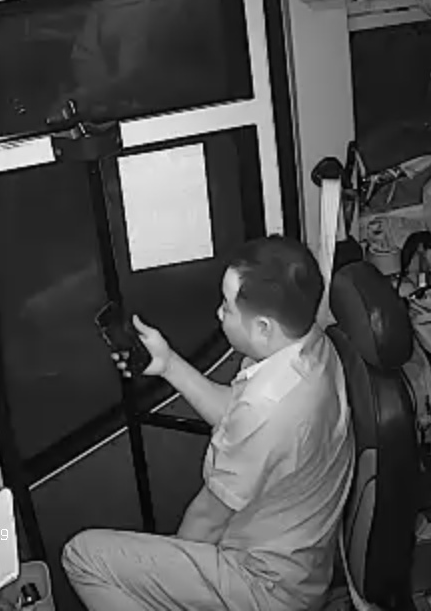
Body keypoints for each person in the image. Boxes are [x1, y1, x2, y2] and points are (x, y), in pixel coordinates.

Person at [61, 235, 354, 610]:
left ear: (263, 328)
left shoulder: (267, 408)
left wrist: (160, 587)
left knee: (82, 557)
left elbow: (207, 521)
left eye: (227, 307)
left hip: (265, 586)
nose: (219, 313)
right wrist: (168, 364)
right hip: (301, 567)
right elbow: (235, 414)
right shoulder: (310, 346)